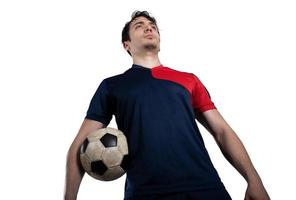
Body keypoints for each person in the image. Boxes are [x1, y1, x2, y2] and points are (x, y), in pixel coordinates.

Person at [64, 11, 270, 200]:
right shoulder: (112, 86)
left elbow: (222, 131)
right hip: (145, 193)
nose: (149, 27)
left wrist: (254, 179)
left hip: (205, 188)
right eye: (139, 25)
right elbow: (80, 145)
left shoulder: (188, 80)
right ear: (126, 45)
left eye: (152, 25)